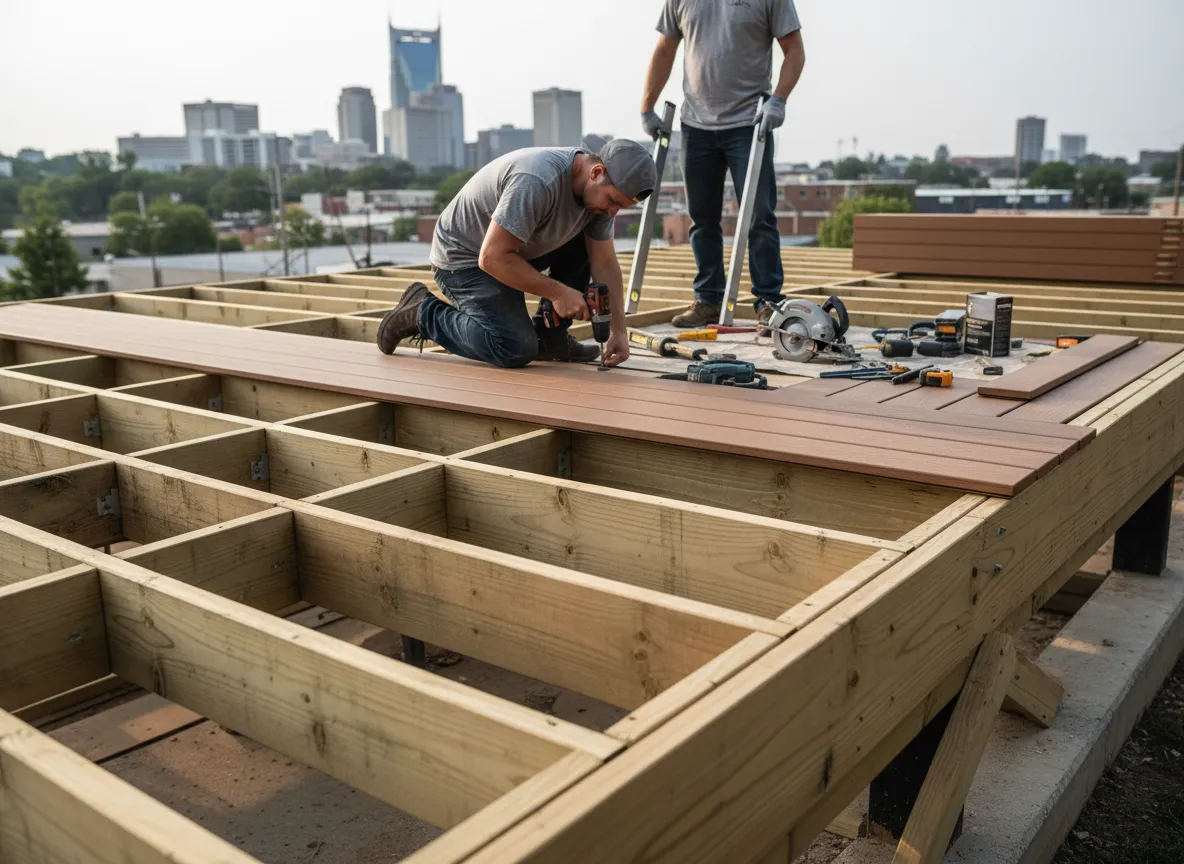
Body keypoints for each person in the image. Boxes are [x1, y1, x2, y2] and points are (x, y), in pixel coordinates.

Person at [376, 139, 657, 368]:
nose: (612, 212)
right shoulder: (537, 180)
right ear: (596, 172)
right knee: (514, 347)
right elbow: (491, 258)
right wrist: (559, 293)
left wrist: (619, 331)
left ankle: (551, 338)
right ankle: (422, 312)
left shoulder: (597, 195)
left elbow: (605, 264)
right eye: (612, 201)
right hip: (466, 260)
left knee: (589, 241)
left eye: (620, 206)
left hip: (517, 250)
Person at [641, 0, 806, 333]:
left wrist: (779, 100)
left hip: (749, 123)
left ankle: (768, 302)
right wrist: (647, 107)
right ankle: (708, 300)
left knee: (759, 215)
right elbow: (664, 49)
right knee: (702, 218)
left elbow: (795, 50)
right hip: (696, 125)